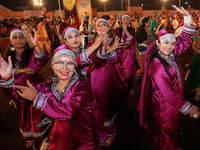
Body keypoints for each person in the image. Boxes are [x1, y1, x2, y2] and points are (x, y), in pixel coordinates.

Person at [0, 48, 99, 150]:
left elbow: (70, 111)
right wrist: (7, 78)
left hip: (83, 139)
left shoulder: (82, 85)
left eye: (70, 63)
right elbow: (20, 96)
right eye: (59, 62)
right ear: (52, 65)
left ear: (75, 66)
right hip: (59, 137)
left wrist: (37, 98)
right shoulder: (49, 86)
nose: (65, 68)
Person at [138, 5, 200, 150]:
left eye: (173, 43)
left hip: (174, 105)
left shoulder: (168, 53)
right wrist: (188, 108)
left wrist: (187, 18)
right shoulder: (157, 66)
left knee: (173, 132)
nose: (170, 46)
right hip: (165, 107)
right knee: (168, 136)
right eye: (166, 43)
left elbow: (184, 42)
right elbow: (168, 94)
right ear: (157, 43)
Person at [77, 18, 126, 147]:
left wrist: (111, 48)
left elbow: (117, 59)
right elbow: (93, 60)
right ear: (96, 28)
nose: (101, 27)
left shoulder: (115, 41)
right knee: (97, 105)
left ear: (109, 27)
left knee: (107, 104)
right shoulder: (93, 42)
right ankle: (101, 133)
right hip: (96, 76)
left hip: (109, 76)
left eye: (104, 25)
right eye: (98, 25)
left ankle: (111, 132)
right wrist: (108, 48)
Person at [2, 28, 50, 149]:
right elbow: (3, 74)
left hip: (36, 91)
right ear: (11, 41)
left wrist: (36, 45)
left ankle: (39, 140)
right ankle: (30, 137)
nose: (18, 40)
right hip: (19, 93)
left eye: (21, 36)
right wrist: (19, 70)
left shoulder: (33, 52)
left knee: (38, 117)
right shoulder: (7, 56)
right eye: (15, 37)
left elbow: (44, 60)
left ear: (25, 39)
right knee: (25, 116)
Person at [114, 14, 137, 94]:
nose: (125, 21)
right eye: (124, 19)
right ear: (121, 20)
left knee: (129, 71)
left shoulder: (132, 30)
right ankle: (121, 88)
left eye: (127, 19)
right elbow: (115, 40)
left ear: (129, 21)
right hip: (119, 52)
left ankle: (130, 87)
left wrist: (126, 31)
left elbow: (132, 40)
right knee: (119, 70)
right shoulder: (117, 30)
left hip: (128, 53)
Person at [187, 28, 200, 101]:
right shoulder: (197, 34)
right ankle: (197, 94)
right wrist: (199, 51)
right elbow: (193, 46)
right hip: (198, 57)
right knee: (196, 74)